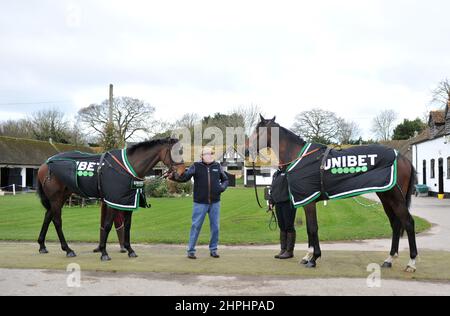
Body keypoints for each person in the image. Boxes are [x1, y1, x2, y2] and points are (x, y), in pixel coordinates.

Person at [169, 147, 229, 259]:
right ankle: (191, 251)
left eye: (212, 153)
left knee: (215, 227)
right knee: (196, 226)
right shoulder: (195, 166)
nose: (210, 155)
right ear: (202, 156)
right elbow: (185, 177)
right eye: (208, 154)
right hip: (200, 203)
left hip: (215, 202)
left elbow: (225, 179)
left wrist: (222, 188)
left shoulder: (217, 166)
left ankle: (213, 250)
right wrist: (174, 177)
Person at [269, 167, 297, 259]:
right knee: (282, 226)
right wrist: (271, 201)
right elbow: (273, 188)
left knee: (289, 226)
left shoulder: (290, 172)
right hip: (278, 203)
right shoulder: (276, 174)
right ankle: (283, 249)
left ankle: (289, 251)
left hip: (288, 203)